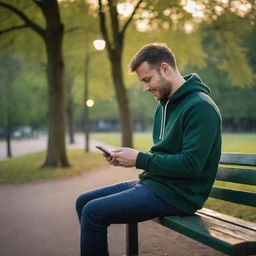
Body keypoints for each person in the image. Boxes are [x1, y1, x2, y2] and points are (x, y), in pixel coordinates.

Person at [75, 43, 222, 256]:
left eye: (147, 80)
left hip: (179, 195)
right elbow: (162, 155)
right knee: (83, 201)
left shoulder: (200, 107)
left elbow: (191, 166)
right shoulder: (164, 105)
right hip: (156, 184)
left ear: (165, 69)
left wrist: (140, 159)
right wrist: (127, 158)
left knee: (93, 213)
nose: (145, 88)